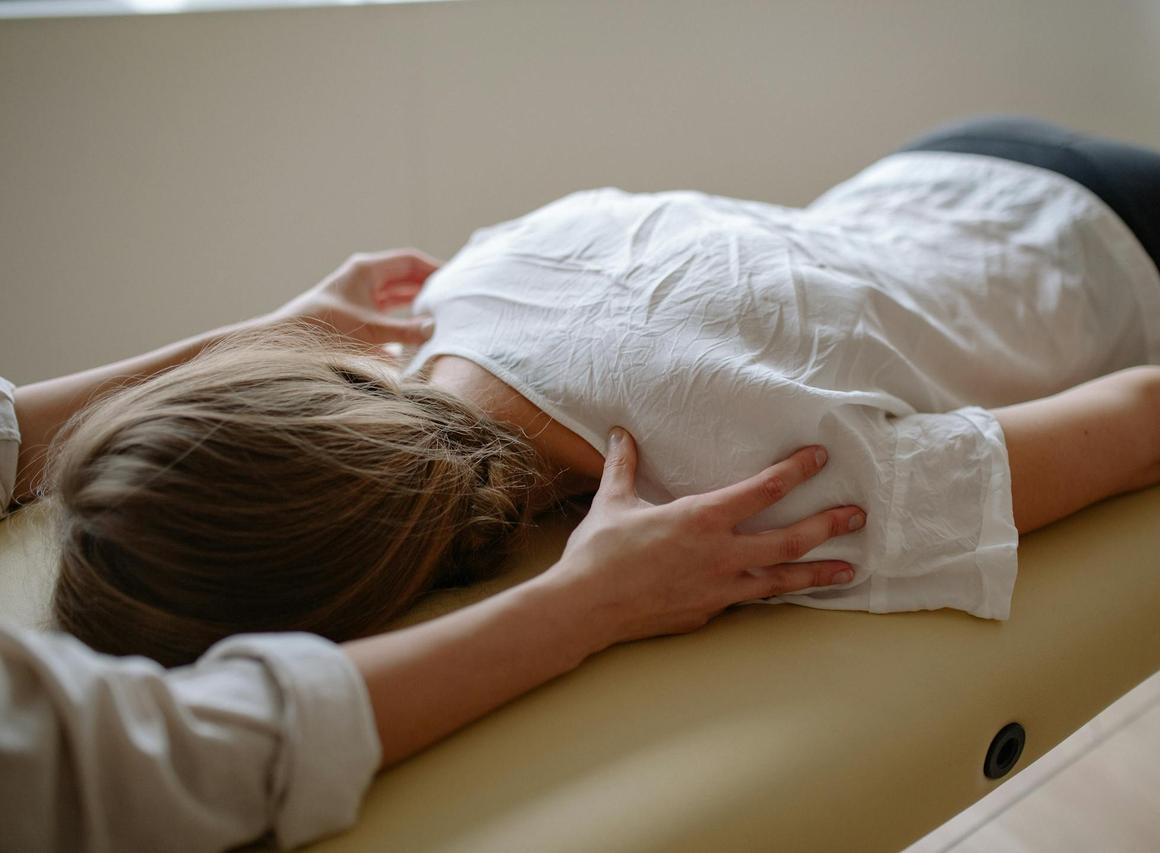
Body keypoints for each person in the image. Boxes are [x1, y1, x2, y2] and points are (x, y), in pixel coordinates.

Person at [41, 117, 1160, 668]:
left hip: (1151, 266)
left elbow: (1153, 422)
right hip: (969, 161)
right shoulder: (467, 280)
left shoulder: (751, 505)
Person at [1, 255, 866, 850]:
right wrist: (590, 599)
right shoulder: (487, 274)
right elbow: (177, 756)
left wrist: (593, 599)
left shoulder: (766, 477)